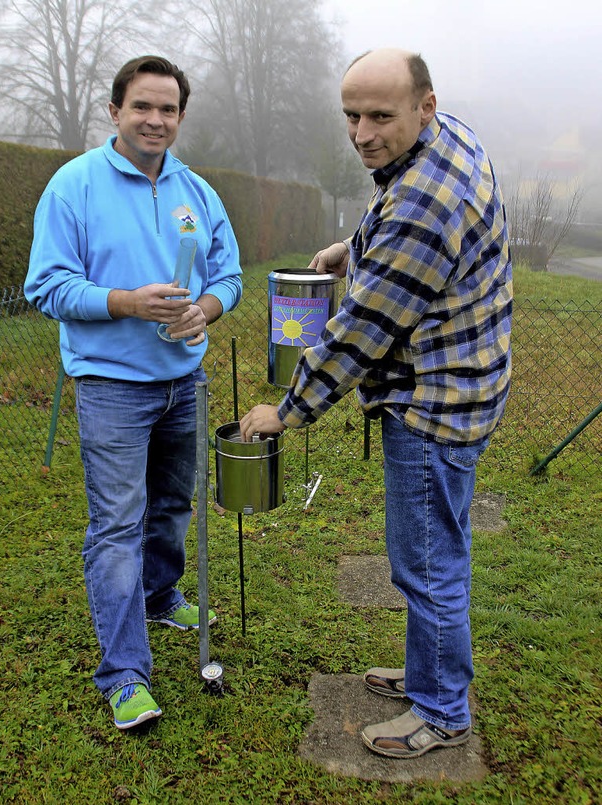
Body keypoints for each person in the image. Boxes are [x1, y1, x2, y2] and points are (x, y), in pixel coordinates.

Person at [239, 48, 512, 759]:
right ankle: (429, 673)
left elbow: (360, 330)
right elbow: (394, 217)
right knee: (434, 553)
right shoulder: (448, 137)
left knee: (426, 564)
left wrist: (287, 410)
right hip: (470, 382)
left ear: (423, 105)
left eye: (379, 115)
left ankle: (444, 709)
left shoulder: (424, 205)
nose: (362, 133)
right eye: (351, 115)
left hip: (433, 406)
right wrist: (354, 244)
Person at [25, 55, 242, 730]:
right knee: (117, 526)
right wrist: (124, 301)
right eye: (142, 107)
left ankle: (160, 592)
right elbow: (47, 286)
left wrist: (204, 309)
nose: (155, 120)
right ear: (114, 111)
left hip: (185, 381)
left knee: (172, 505)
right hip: (112, 387)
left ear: (180, 116)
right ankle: (123, 675)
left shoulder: (196, 192)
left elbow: (228, 275)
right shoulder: (73, 187)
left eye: (168, 109)